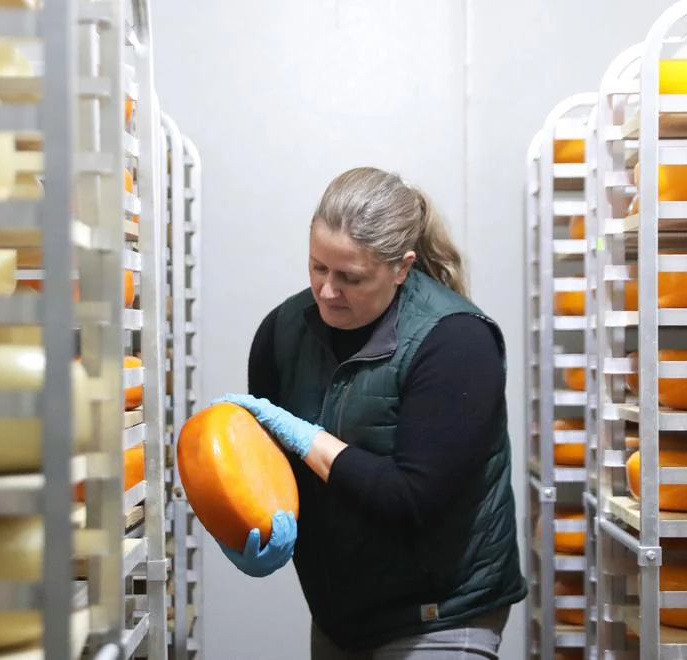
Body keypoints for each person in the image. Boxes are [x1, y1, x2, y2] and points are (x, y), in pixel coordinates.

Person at [212, 167, 526, 659]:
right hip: (341, 611)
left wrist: (306, 437)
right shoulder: (281, 332)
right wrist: (252, 526)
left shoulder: (457, 342)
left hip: (441, 609)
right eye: (318, 268)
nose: (327, 291)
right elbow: (273, 473)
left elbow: (415, 499)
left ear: (401, 268)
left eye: (350, 277)